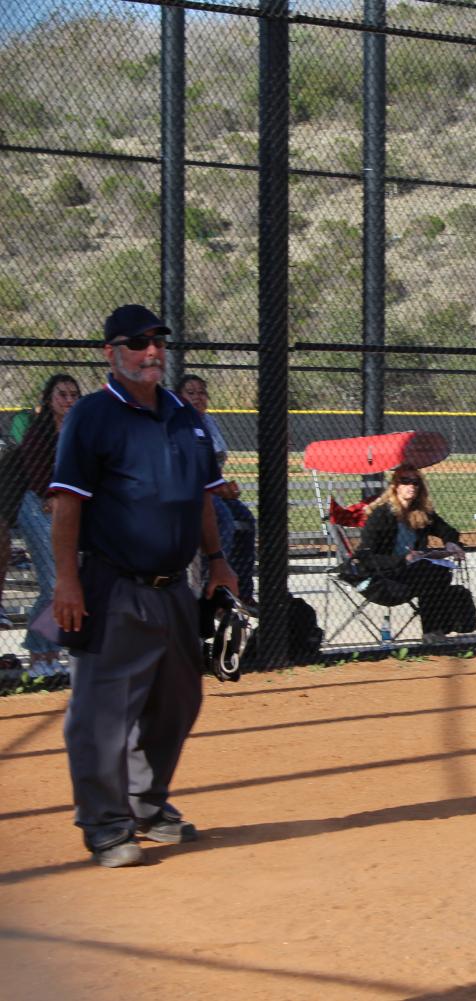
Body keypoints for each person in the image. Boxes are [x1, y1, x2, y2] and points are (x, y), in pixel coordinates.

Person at [49, 305, 238, 868]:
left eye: (157, 341)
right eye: (137, 343)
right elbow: (66, 504)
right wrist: (66, 581)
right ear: (112, 353)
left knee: (177, 701)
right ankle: (105, 825)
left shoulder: (186, 415)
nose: (151, 351)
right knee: (102, 712)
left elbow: (202, 495)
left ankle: (146, 806)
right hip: (113, 584)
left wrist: (218, 560)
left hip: (175, 587)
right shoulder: (92, 415)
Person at [351, 464, 475, 642]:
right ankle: (433, 631)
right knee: (433, 574)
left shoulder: (420, 513)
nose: (412, 486)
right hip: (384, 579)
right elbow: (365, 557)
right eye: (405, 481)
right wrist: (403, 559)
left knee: (437, 572)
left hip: (412, 575)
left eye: (416, 482)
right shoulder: (381, 515)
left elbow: (447, 529)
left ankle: (434, 631)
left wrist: (451, 543)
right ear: (395, 486)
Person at [14, 374, 81, 677]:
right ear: (49, 398)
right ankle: (38, 653)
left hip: (66, 507)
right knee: (53, 581)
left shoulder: (80, 430)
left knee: (63, 582)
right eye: (62, 394)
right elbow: (35, 468)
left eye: (72, 395)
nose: (68, 400)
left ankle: (49, 652)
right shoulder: (38, 430)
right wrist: (51, 494)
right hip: (36, 503)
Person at [176, 374, 257, 606]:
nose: (197, 397)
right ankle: (213, 584)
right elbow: (194, 474)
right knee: (224, 520)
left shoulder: (209, 422)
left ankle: (242, 590)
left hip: (215, 487)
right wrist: (220, 490)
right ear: (180, 397)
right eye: (190, 393)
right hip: (196, 491)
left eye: (201, 392)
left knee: (246, 520)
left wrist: (225, 487)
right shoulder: (180, 424)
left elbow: (215, 467)